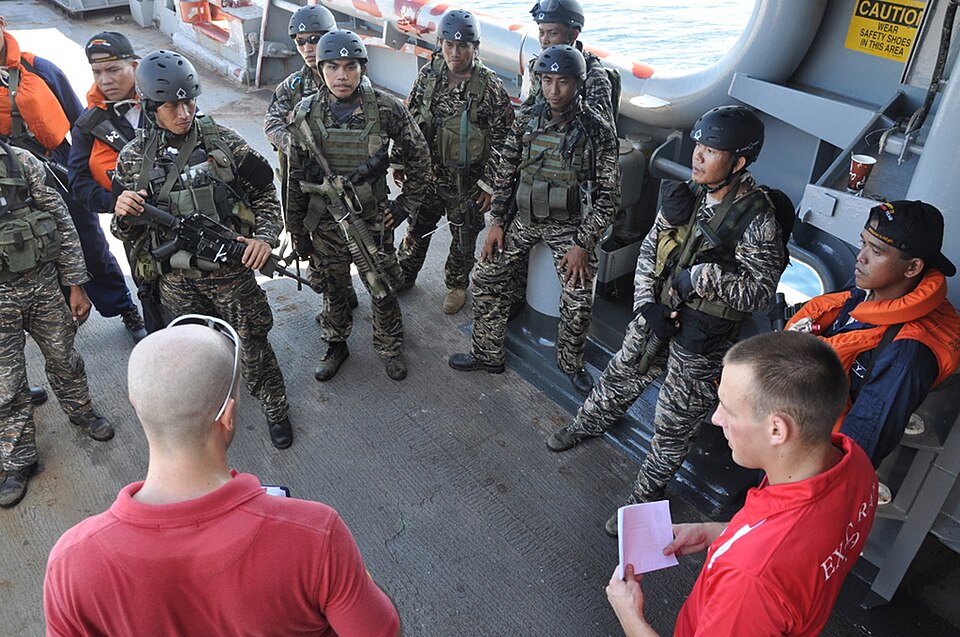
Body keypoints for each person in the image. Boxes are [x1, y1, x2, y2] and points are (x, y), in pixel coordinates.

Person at [44, 316, 402, 636]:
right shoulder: (314, 535)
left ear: (136, 402)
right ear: (228, 417)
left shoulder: (71, 564)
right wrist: (358, 579)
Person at [544, 105, 788, 537]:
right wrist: (644, 305)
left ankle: (642, 498)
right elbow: (649, 250)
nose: (697, 156)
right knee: (620, 374)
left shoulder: (758, 220)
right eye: (698, 145)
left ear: (739, 162)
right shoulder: (685, 196)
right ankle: (586, 424)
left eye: (711, 150)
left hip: (702, 339)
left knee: (673, 421)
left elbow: (759, 292)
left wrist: (704, 277)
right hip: (656, 315)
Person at [605, 331, 878, 636]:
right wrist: (720, 534)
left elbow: (764, 566)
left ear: (777, 430)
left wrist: (629, 615)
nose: (717, 418)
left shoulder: (750, 580)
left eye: (728, 409)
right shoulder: (854, 464)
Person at [112, 51, 294, 450]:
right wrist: (123, 214)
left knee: (255, 345)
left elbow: (265, 191)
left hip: (231, 273)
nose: (184, 112)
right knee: (193, 355)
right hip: (177, 279)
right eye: (172, 105)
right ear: (149, 107)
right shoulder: (131, 161)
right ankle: (204, 416)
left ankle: (275, 408)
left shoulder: (223, 142)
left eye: (190, 101)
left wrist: (264, 237)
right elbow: (125, 230)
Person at [448, 45, 620, 396]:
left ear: (579, 84)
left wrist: (582, 244)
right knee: (486, 273)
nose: (553, 91)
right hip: (525, 218)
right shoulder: (528, 118)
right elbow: (507, 170)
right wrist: (496, 221)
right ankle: (487, 353)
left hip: (570, 227)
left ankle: (571, 365)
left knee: (577, 295)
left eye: (563, 82)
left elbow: (609, 197)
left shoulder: (597, 131)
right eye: (546, 81)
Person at [286, 29, 432, 382]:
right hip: (324, 223)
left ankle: (389, 345)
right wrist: (297, 232)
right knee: (333, 289)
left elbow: (420, 158)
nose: (341, 75)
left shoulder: (385, 108)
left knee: (381, 288)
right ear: (319, 69)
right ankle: (336, 343)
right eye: (332, 67)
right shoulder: (304, 114)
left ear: (362, 69)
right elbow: (294, 178)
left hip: (371, 221)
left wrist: (402, 207)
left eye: (350, 66)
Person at [0, 17, 147, 342]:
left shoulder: (39, 69)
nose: (105, 79)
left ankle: (123, 307)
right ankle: (57, 318)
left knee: (88, 244)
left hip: (57, 168)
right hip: (7, 181)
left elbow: (80, 118)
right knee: (26, 250)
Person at [787, 200, 960, 466]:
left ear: (912, 268)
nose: (861, 256)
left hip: (809, 458)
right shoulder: (862, 291)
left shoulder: (906, 357)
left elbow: (856, 452)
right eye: (863, 243)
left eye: (876, 251)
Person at [0, 139, 114, 509]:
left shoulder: (20, 162)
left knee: (64, 356)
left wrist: (75, 285)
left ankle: (81, 410)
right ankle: (19, 460)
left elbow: (62, 222)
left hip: (42, 286)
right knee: (6, 385)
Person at [394, 8, 514, 314]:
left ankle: (457, 285)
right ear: (440, 43)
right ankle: (405, 273)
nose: (455, 53)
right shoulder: (429, 75)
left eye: (463, 46)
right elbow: (409, 118)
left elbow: (504, 139)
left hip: (467, 182)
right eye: (449, 45)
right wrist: (399, 161)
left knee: (463, 238)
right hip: (428, 175)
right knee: (417, 226)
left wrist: (489, 185)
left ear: (475, 47)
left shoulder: (489, 87)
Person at [262, 5, 359, 317]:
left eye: (315, 39)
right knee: (311, 239)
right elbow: (272, 125)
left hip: (345, 177)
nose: (307, 47)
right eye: (300, 41)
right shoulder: (291, 87)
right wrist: (300, 148)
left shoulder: (350, 79)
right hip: (302, 179)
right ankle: (334, 298)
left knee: (353, 235)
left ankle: (348, 288)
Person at [68, 32, 165, 333]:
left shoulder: (166, 101)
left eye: (113, 70)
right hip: (136, 232)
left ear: (135, 66)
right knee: (151, 296)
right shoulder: (89, 123)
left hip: (184, 215)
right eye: (97, 72)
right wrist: (115, 203)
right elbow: (79, 182)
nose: (104, 80)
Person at [522, 0, 614, 125]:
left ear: (573, 35)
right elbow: (528, 107)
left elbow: (603, 127)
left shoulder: (593, 74)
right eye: (541, 33)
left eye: (553, 33)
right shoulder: (537, 65)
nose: (544, 40)